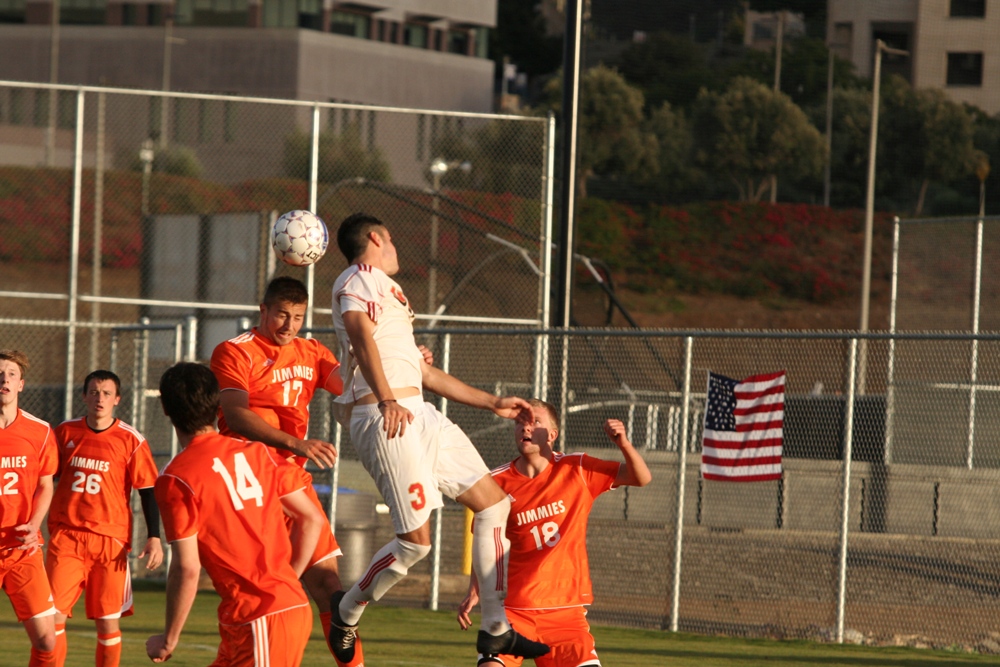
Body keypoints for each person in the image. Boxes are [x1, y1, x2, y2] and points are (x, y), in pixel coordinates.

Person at [329, 212, 549, 665]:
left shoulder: (387, 293)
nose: (395, 249)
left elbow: (423, 372)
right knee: (416, 545)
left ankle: (496, 630)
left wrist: (491, 402)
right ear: (376, 237)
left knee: (495, 504)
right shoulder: (359, 276)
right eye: (390, 239)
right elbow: (357, 333)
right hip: (384, 416)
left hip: (420, 414)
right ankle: (346, 610)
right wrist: (388, 398)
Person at [209, 276, 362, 666]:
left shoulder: (311, 351)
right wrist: (294, 442)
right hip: (250, 484)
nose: (289, 325)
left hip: (292, 481)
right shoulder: (235, 352)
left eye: (297, 317)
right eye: (281, 314)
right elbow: (235, 414)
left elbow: (355, 387)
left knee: (330, 586)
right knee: (254, 593)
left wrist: (405, 366)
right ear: (263, 310)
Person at [146, 362, 326, 666]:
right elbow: (312, 518)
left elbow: (187, 568)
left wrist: (169, 639)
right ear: (218, 405)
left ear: (165, 407)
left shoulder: (176, 478)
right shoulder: (258, 452)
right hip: (254, 617)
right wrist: (288, 580)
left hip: (263, 618)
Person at [457, 401, 652, 667]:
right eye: (519, 422)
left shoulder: (578, 469)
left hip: (566, 614)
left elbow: (640, 478)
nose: (525, 426)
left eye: (535, 421)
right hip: (512, 611)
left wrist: (624, 444)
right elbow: (485, 541)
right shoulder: (496, 482)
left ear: (552, 435)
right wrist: (475, 590)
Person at [47, 370, 163, 667]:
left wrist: (154, 537)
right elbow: (44, 480)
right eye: (94, 392)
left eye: (107, 393)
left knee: (107, 624)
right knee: (52, 618)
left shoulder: (131, 440)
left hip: (110, 542)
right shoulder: (65, 433)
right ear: (84, 396)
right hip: (67, 538)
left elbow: (148, 491)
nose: (100, 398)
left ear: (117, 399)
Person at [0, 349, 58, 667]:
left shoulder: (40, 431)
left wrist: (35, 525)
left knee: (47, 641)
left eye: (10, 373)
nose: (4, 378)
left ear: (21, 384)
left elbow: (46, 484)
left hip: (22, 549)